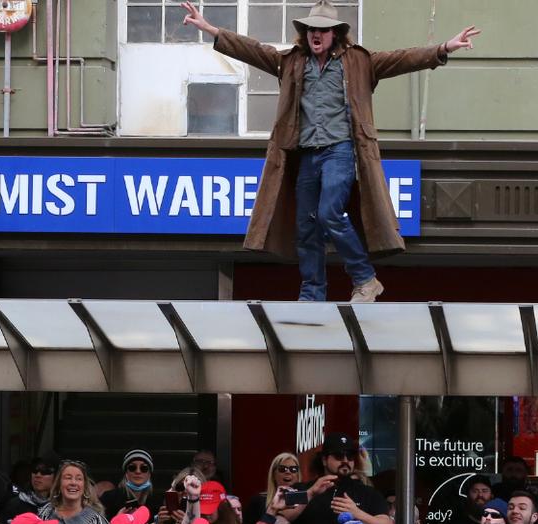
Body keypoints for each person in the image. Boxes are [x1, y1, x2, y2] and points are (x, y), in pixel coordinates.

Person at [182, 1, 478, 302]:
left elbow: (403, 59)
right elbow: (254, 50)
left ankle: (365, 279)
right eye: (311, 29)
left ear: (335, 34)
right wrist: (211, 29)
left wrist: (443, 48)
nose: (316, 34)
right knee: (306, 224)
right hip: (307, 155)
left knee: (329, 213)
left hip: (340, 152)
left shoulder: (359, 62)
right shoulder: (291, 62)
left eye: (322, 30)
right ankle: (312, 292)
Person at [291, 432, 392, 524]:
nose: (345, 460)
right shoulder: (303, 489)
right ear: (324, 460)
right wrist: (310, 493)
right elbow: (282, 515)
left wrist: (356, 513)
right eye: (338, 455)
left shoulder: (368, 493)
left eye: (350, 456)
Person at [101, 449, 166, 519]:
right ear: (126, 473)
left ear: (149, 474)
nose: (138, 471)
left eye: (144, 468)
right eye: (132, 467)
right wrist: (117, 520)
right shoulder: (109, 498)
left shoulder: (158, 501)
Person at [245, 452, 300, 524]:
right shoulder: (258, 501)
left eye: (293, 469)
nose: (288, 472)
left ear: (298, 475)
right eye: (282, 469)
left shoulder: (305, 501)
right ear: (274, 474)